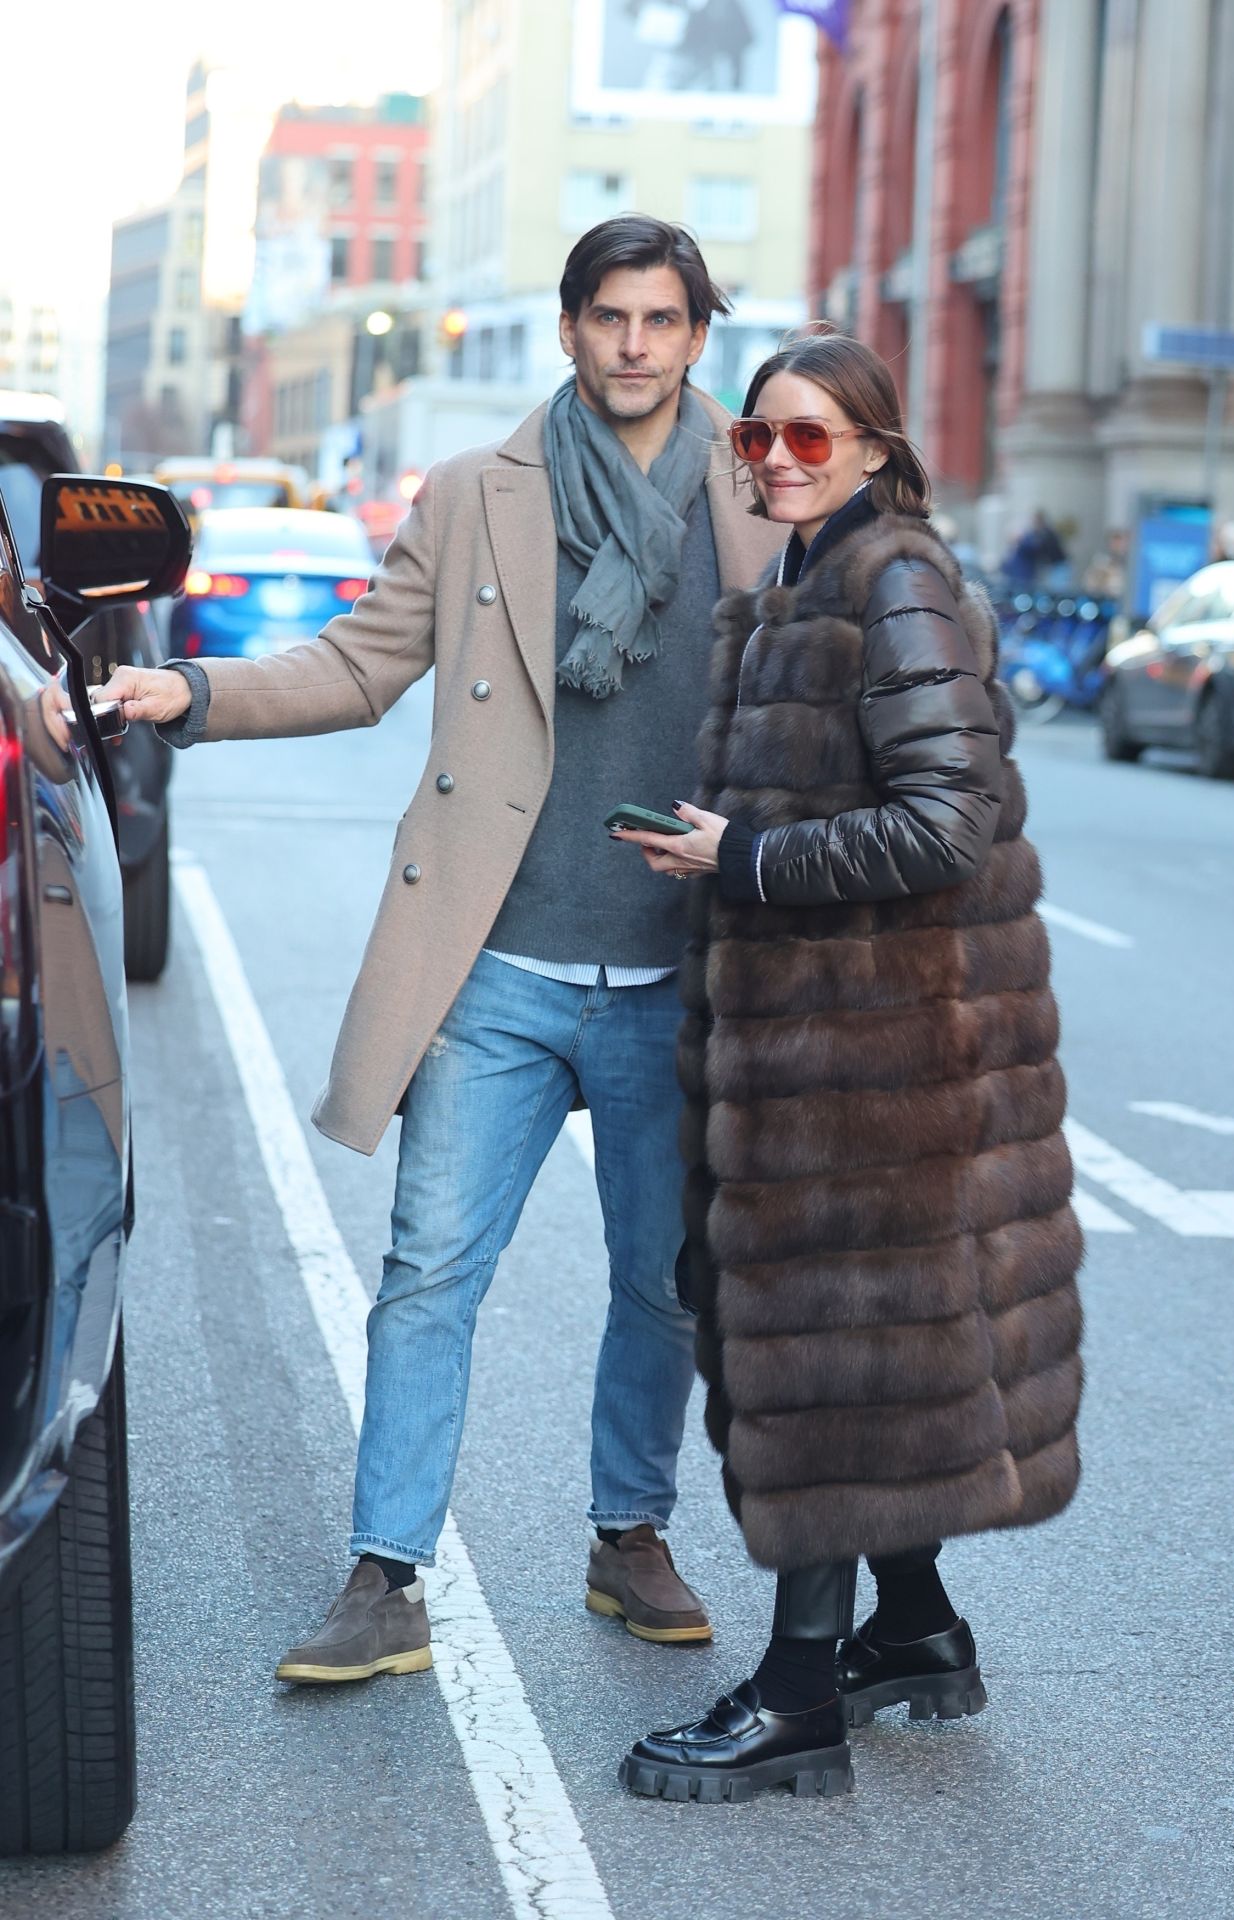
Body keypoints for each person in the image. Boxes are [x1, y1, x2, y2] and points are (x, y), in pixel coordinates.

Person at [55, 216, 783, 1682]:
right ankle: (384, 1576)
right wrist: (186, 690)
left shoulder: (767, 498)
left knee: (663, 1282)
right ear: (570, 330)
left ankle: (628, 1533)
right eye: (609, 319)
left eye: (662, 321)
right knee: (431, 1274)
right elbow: (358, 664)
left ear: (700, 336)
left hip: (684, 974)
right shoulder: (473, 495)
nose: (635, 346)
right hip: (495, 963)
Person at [610, 328, 1084, 1802]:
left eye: (811, 437)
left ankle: (801, 1697)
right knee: (858, 1360)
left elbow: (949, 820)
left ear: (879, 447)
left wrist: (742, 855)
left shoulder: (897, 578)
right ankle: (921, 1633)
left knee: (815, 1355)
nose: (777, 461)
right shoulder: (800, 586)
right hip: (826, 1051)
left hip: (871, 1061)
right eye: (758, 439)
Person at [1002, 509, 1067, 590]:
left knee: (1058, 588)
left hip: (1057, 565)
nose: (1033, 523)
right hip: (1044, 568)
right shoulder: (1033, 536)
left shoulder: (1046, 533)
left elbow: (1037, 548)